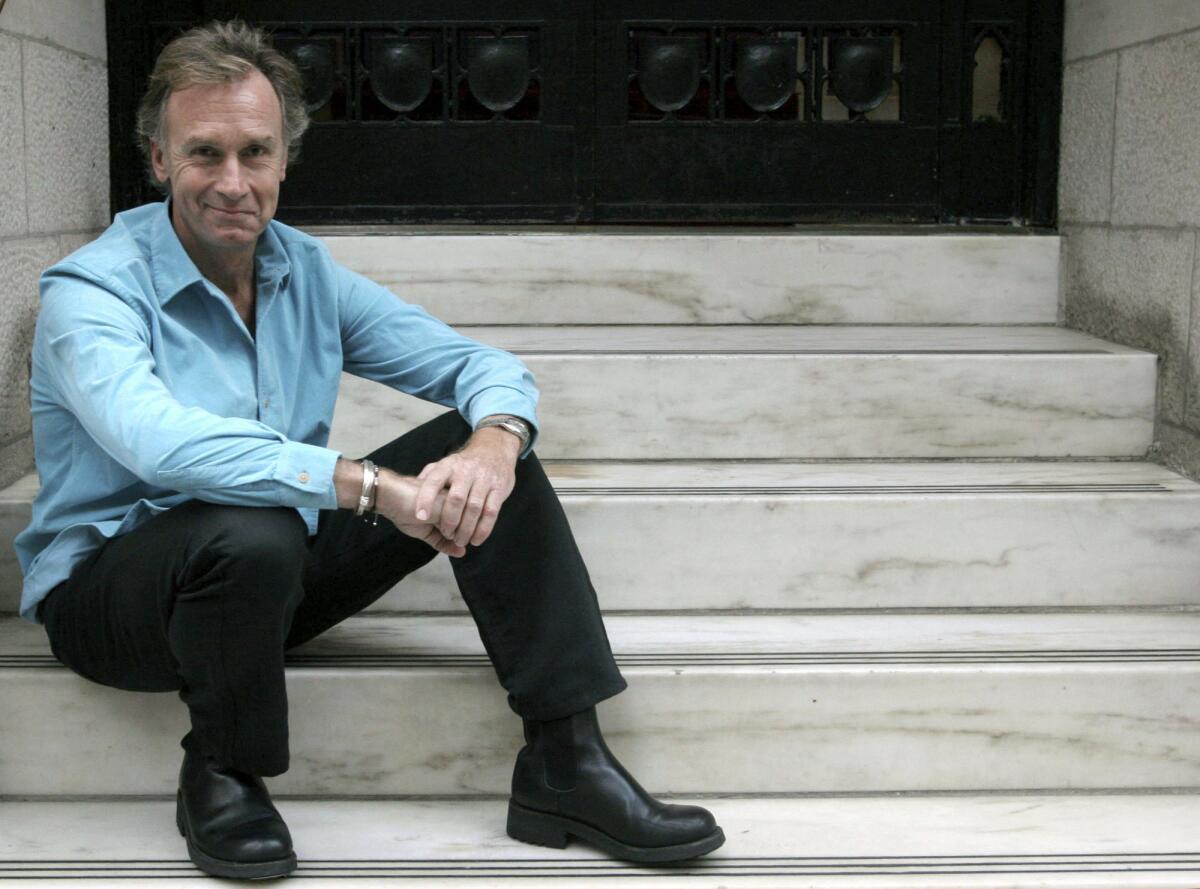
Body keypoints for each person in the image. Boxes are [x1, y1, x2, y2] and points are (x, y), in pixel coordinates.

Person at [13, 20, 724, 880]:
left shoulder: (305, 274)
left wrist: (495, 443)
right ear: (159, 160)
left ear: (284, 160)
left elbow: (479, 366)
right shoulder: (92, 289)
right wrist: (367, 486)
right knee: (256, 524)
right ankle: (222, 771)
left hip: (263, 580)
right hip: (116, 599)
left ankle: (565, 761)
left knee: (487, 458)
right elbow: (162, 446)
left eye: (255, 153)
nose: (232, 182)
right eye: (204, 153)